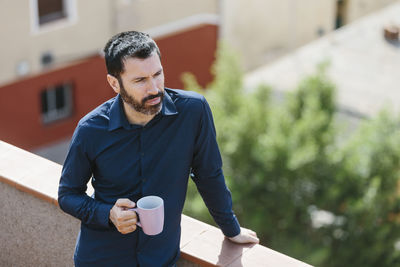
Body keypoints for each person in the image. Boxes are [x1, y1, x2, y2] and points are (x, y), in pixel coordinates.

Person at [58, 31, 259, 267]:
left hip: (160, 259)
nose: (154, 88)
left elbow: (208, 174)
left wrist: (231, 229)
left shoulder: (193, 112)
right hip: (101, 259)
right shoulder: (90, 130)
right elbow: (67, 194)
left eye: (157, 74)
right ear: (114, 83)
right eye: (140, 80)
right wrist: (108, 213)